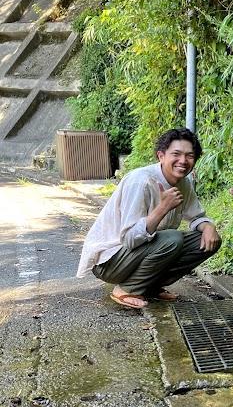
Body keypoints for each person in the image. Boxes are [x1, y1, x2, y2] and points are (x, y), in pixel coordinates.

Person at [76, 128, 222, 309]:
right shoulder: (141, 181)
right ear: (161, 156)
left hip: (141, 252)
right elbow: (129, 239)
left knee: (207, 240)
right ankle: (125, 289)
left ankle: (150, 286)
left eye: (189, 156)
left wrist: (208, 226)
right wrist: (162, 208)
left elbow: (197, 216)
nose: (183, 161)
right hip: (110, 260)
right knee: (172, 239)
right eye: (176, 154)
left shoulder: (184, 182)